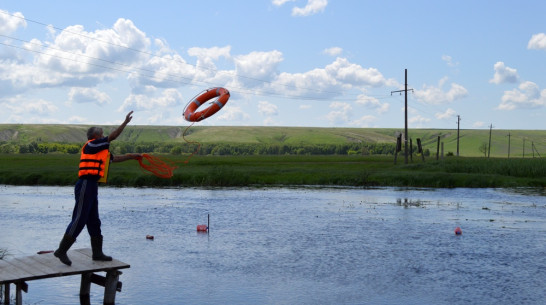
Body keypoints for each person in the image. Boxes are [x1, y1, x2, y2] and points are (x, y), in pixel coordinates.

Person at [54, 111, 142, 266]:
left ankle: (97, 253)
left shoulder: (99, 149)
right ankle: (61, 250)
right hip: (85, 184)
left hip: (92, 186)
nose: (104, 137)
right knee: (80, 218)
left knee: (94, 220)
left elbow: (115, 159)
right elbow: (113, 137)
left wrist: (133, 156)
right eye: (101, 135)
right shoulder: (92, 144)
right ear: (95, 136)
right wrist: (125, 123)